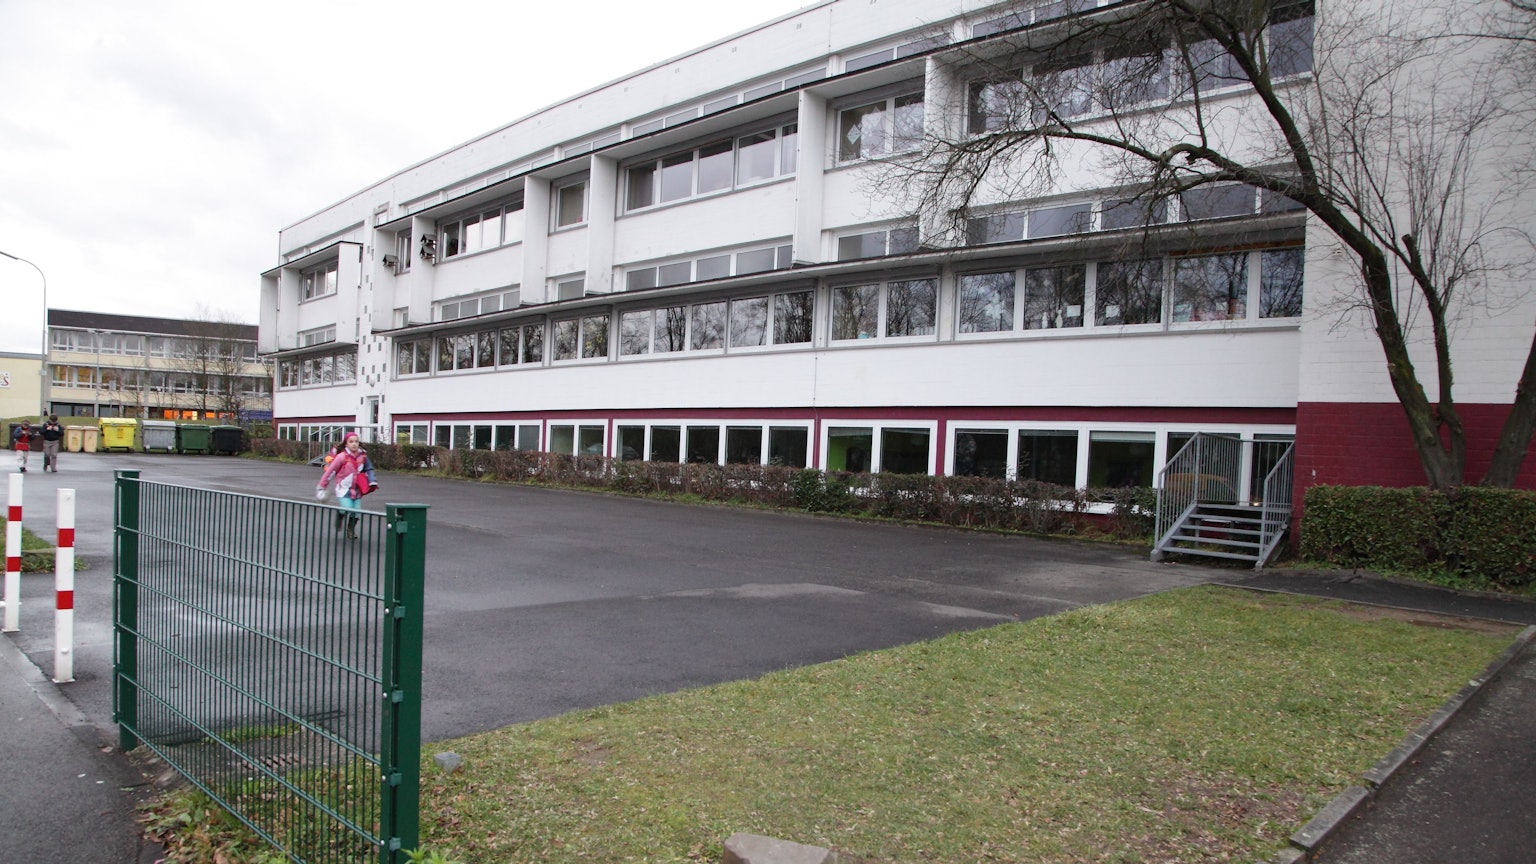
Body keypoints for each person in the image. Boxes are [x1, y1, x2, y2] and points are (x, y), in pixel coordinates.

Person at [316, 432, 377, 539]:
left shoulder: (363, 456)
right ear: (346, 444)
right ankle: (340, 515)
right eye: (351, 442)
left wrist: (372, 480)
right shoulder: (341, 457)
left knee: (357, 511)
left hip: (357, 490)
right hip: (343, 489)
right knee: (347, 507)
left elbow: (369, 469)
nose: (354, 444)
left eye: (356, 441)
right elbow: (330, 472)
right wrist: (322, 486)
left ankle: (350, 530)